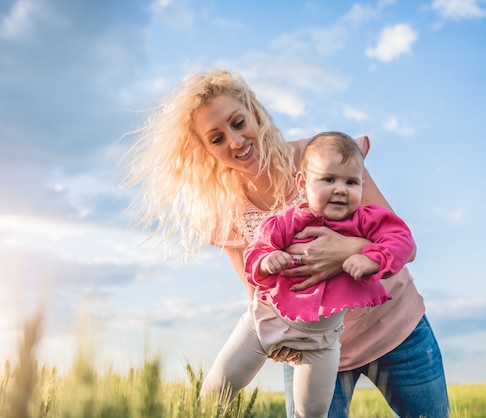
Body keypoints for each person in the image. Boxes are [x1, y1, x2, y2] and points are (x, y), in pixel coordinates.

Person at [121, 69, 449, 417]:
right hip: (311, 352)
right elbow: (256, 292)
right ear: (205, 151)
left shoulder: (324, 156)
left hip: (396, 331)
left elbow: (406, 248)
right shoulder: (227, 211)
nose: (234, 141)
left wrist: (344, 251)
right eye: (216, 138)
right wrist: (276, 345)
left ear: (256, 113)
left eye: (237, 122)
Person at [200, 131, 416, 417]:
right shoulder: (290, 220)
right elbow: (256, 252)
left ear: (362, 186)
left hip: (322, 342)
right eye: (328, 180)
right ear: (304, 183)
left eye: (351, 182)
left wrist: (372, 257)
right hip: (265, 322)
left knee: (312, 412)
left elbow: (403, 241)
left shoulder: (367, 221)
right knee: (219, 386)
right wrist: (267, 260)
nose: (340, 189)